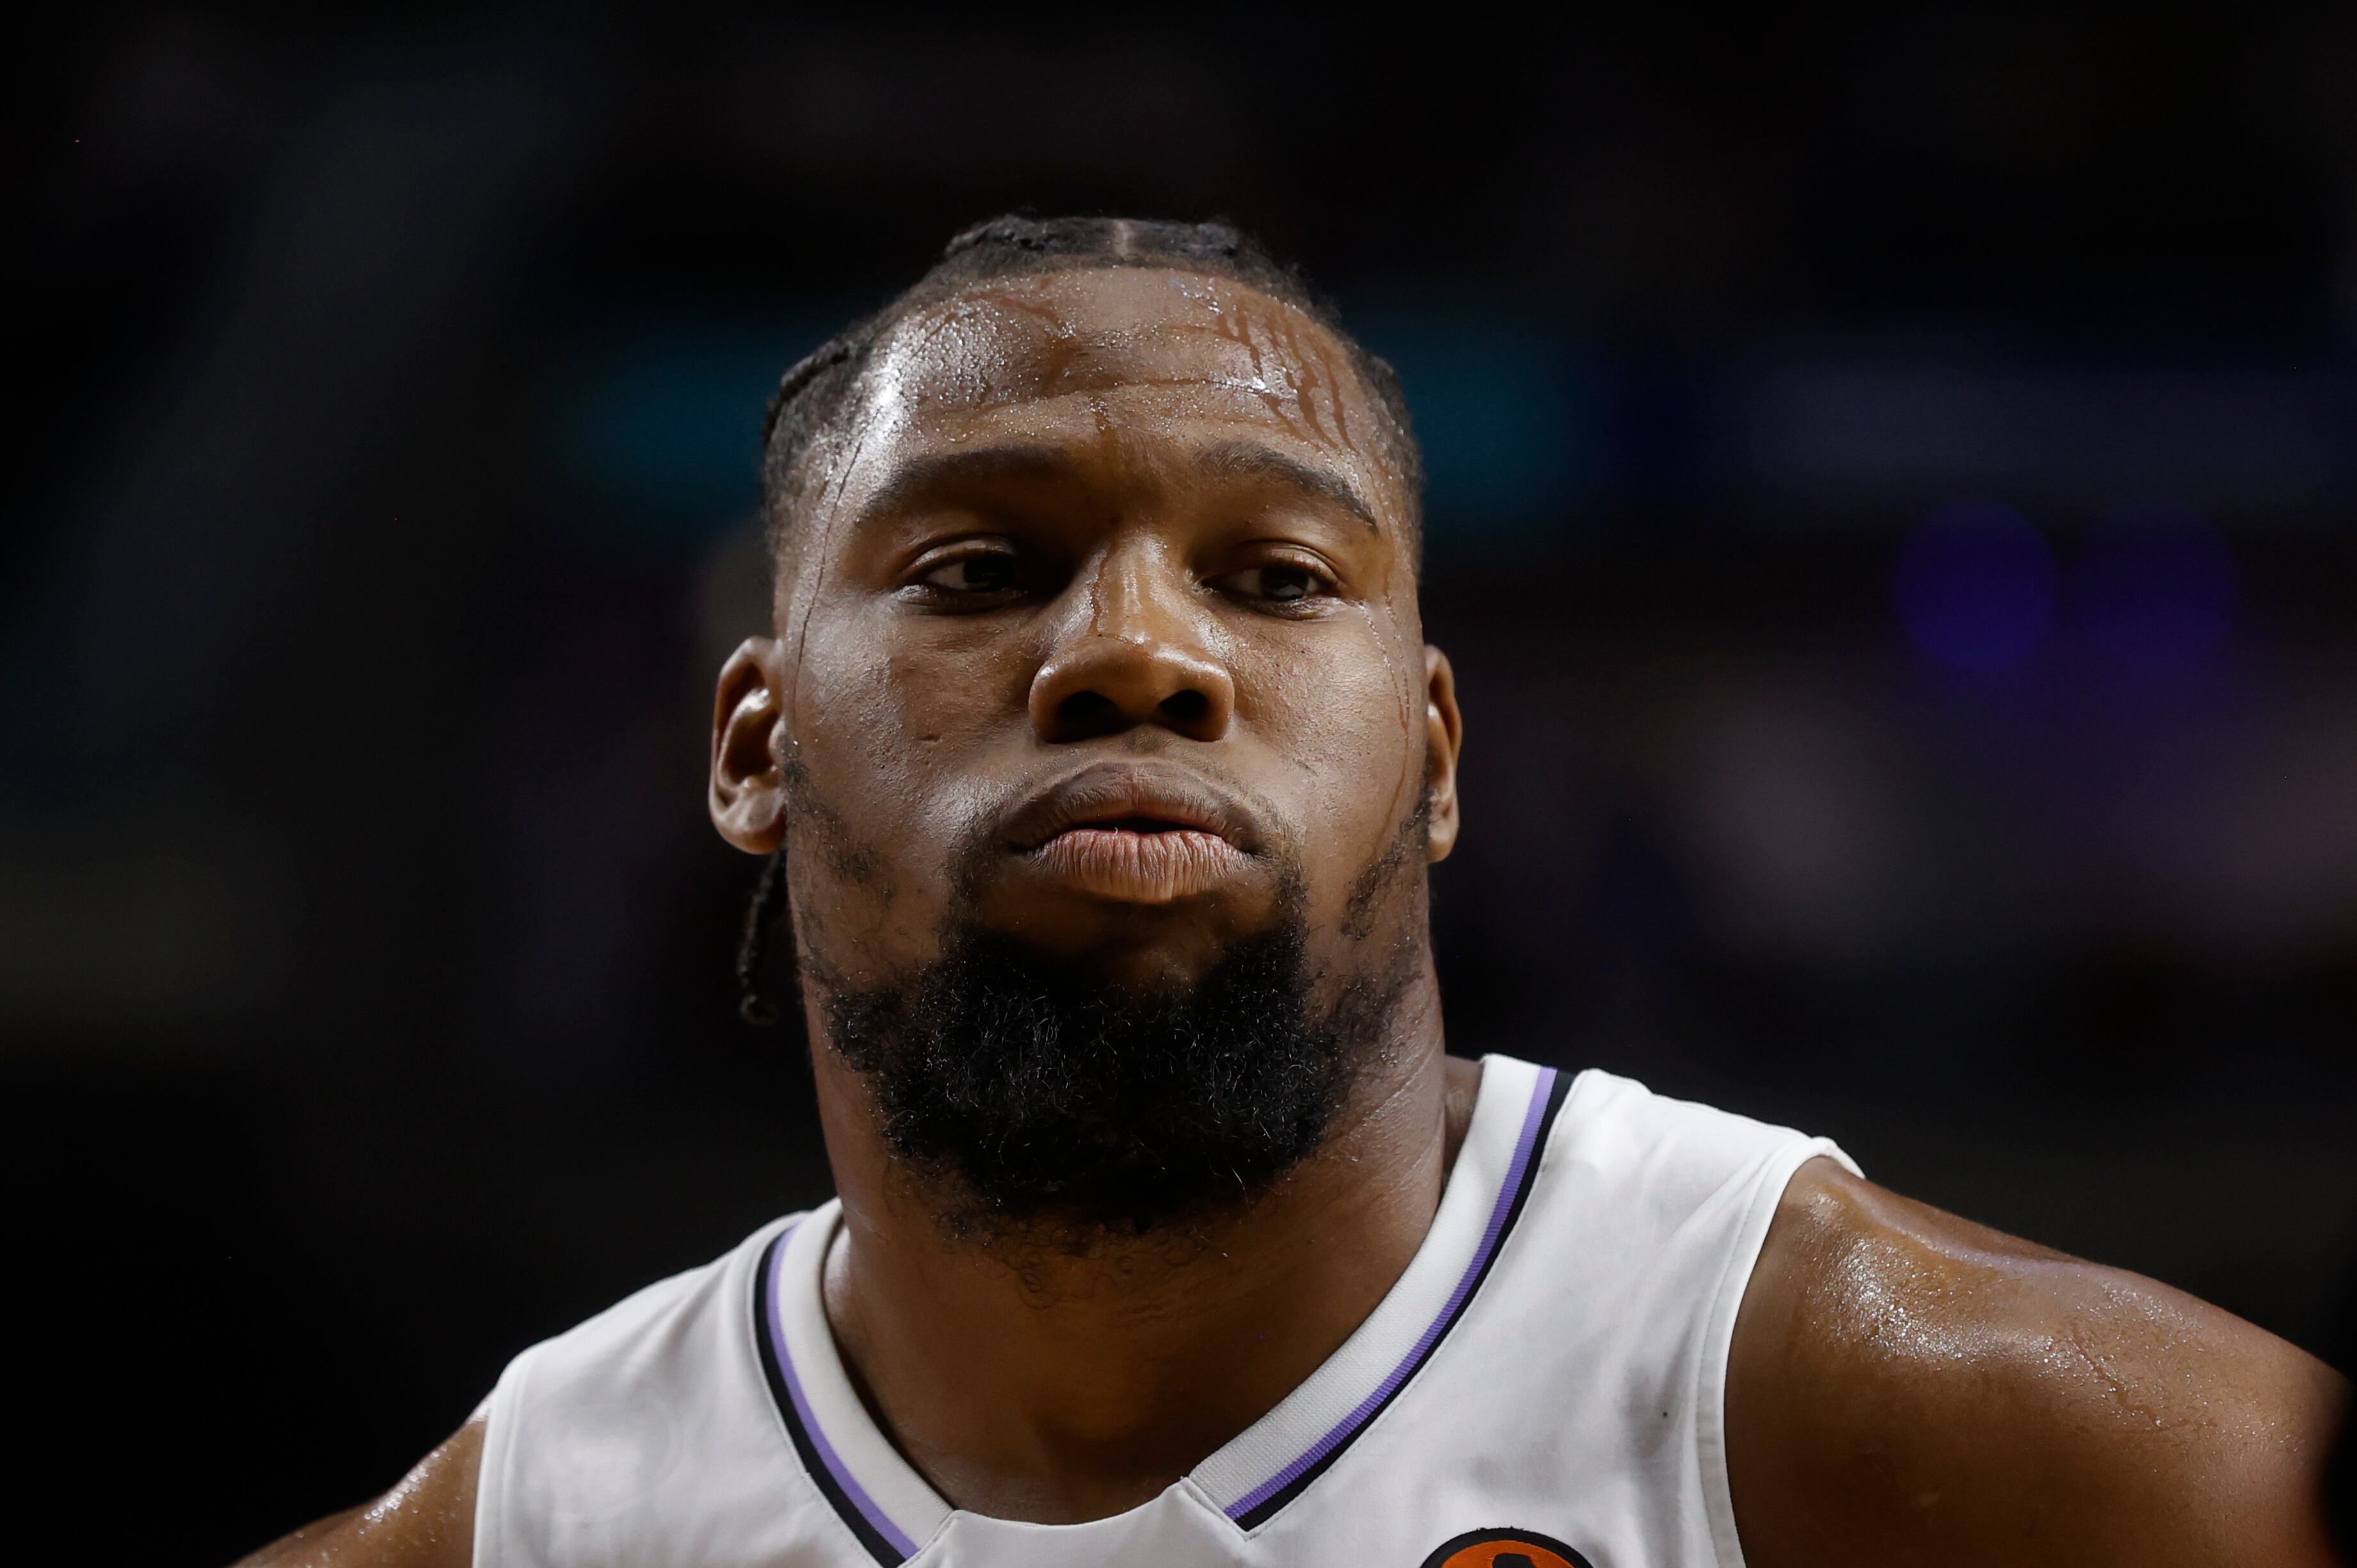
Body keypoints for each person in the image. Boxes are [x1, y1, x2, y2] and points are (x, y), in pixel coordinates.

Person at [239, 216, 2348, 1568]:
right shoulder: (538, 1526)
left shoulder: (1867, 1414)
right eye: (982, 569)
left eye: (1276, 578)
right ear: (753, 748)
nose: (1135, 651)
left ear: (1431, 759)